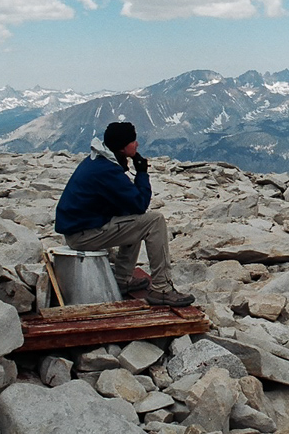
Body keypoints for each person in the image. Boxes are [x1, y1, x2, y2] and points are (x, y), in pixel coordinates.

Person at [54, 121, 194, 307]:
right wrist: (142, 173)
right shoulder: (106, 170)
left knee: (134, 220)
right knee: (153, 221)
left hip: (80, 229)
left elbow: (129, 206)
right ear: (122, 147)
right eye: (132, 141)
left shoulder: (99, 161)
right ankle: (162, 289)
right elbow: (139, 204)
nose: (136, 144)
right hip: (84, 235)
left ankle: (122, 280)